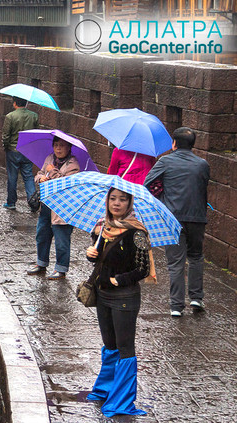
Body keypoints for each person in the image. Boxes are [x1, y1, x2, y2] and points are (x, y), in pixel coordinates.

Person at [85, 188, 153, 417]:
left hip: (124, 298)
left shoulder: (137, 233)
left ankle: (121, 401)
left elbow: (142, 269)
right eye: (112, 199)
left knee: (125, 347)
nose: (116, 203)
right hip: (102, 295)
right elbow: (100, 260)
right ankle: (106, 388)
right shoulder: (103, 228)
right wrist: (91, 252)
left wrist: (118, 280)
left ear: (129, 203)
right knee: (109, 344)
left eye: (122, 200)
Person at [144, 127, 210, 317]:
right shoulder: (202, 164)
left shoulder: (165, 161)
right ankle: (196, 297)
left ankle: (176, 306)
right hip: (197, 218)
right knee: (196, 257)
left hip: (172, 217)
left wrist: (163, 197)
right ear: (193, 144)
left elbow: (148, 183)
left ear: (173, 143)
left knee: (175, 263)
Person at [28, 137, 80, 279]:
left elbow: (65, 183)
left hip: (62, 207)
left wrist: (51, 172)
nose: (58, 148)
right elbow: (40, 173)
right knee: (42, 234)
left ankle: (61, 268)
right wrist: (40, 178)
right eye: (56, 145)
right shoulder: (49, 158)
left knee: (61, 238)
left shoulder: (73, 164)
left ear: (69, 147)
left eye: (62, 145)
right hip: (46, 204)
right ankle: (41, 263)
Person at [2, 96, 40, 211]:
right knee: (28, 176)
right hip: (27, 150)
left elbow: (6, 135)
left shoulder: (10, 116)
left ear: (14, 104)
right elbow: (36, 133)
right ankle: (33, 202)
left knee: (12, 176)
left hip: (13, 150)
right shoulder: (34, 116)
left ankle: (11, 202)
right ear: (26, 103)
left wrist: (6, 146)